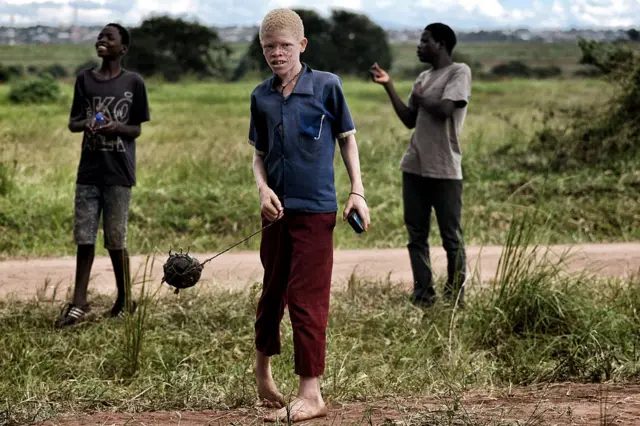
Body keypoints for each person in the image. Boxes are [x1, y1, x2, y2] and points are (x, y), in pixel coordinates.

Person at [248, 8, 370, 423]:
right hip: (276, 214)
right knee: (272, 293)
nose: (277, 54)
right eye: (269, 47)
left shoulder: (327, 87)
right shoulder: (261, 96)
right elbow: (258, 155)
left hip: (318, 211)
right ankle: (262, 374)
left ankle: (311, 393)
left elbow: (347, 141)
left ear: (302, 45)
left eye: (284, 46)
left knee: (306, 300)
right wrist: (263, 190)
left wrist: (357, 191)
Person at [55, 23, 150, 328]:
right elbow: (73, 123)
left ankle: (125, 299)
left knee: (114, 240)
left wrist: (114, 127)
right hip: (89, 172)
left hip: (119, 173)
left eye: (110, 38)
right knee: (84, 239)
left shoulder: (133, 82)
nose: (101, 40)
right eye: (100, 36)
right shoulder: (85, 80)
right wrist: (88, 123)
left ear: (123, 48)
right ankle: (79, 303)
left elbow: (135, 128)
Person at [370, 23, 471, 308]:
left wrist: (420, 96)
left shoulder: (459, 72)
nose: (419, 45)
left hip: (445, 168)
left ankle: (455, 299)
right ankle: (423, 295)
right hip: (414, 166)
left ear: (440, 44)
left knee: (451, 237)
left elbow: (445, 109)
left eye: (425, 41)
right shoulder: (423, 77)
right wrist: (389, 86)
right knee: (417, 236)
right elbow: (409, 120)